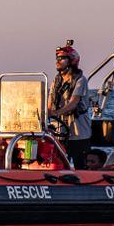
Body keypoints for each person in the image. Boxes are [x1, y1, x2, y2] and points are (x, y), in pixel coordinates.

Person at [47, 41, 93, 169]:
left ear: (72, 61)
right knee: (59, 165)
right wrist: (45, 116)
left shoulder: (80, 80)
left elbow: (73, 103)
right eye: (57, 58)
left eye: (62, 58)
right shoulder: (56, 81)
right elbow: (50, 104)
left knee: (80, 166)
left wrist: (55, 113)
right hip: (60, 131)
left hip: (78, 132)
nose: (58, 61)